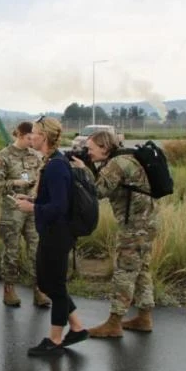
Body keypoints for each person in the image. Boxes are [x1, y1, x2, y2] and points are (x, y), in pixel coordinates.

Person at [71, 130, 157, 338]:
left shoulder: (117, 164)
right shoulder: (127, 159)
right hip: (148, 223)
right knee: (141, 269)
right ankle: (144, 317)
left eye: (91, 149)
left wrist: (83, 170)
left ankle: (114, 322)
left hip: (135, 227)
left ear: (104, 147)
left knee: (124, 272)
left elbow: (97, 191)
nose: (88, 153)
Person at [14, 117, 88, 356]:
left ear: (44, 137)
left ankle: (55, 340)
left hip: (58, 233)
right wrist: (34, 201)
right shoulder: (53, 162)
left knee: (54, 285)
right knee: (47, 283)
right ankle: (76, 326)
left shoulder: (56, 166)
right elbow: (52, 200)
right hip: (51, 232)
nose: (30, 136)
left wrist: (32, 209)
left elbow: (59, 206)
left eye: (34, 133)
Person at [0, 121, 50, 309]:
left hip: (33, 208)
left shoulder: (35, 156)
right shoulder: (3, 157)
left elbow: (40, 179)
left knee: (36, 250)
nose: (31, 141)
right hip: (13, 209)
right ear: (19, 135)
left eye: (33, 138)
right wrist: (15, 182)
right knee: (12, 251)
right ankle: (9, 288)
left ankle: (38, 289)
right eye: (28, 138)